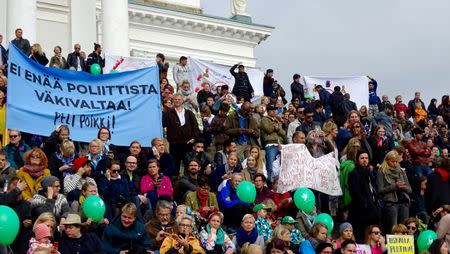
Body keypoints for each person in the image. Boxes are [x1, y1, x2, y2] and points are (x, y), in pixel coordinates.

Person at [164, 93, 200, 175]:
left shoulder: (189, 113)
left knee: (188, 165)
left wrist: (194, 138)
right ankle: (175, 184)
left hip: (187, 143)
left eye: (179, 99)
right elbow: (163, 125)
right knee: (174, 166)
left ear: (182, 101)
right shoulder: (168, 113)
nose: (177, 101)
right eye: (175, 99)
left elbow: (195, 127)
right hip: (174, 144)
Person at [348, 151, 380, 242]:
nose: (364, 160)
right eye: (362, 158)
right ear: (357, 160)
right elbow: (354, 192)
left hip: (372, 209)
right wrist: (365, 203)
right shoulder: (354, 173)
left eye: (366, 158)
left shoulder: (370, 172)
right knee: (361, 236)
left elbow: (374, 189)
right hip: (361, 211)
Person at [377, 150, 412, 233]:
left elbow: (410, 190)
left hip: (404, 202)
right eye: (393, 161)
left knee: (404, 230)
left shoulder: (401, 171)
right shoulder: (381, 171)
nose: (395, 163)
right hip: (391, 204)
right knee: (393, 230)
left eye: (396, 161)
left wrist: (402, 187)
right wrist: (394, 186)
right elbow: (380, 190)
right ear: (387, 160)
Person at [261, 104, 286, 182]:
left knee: (281, 166)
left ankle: (279, 184)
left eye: (274, 110)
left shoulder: (277, 120)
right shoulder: (264, 119)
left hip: (279, 144)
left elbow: (283, 133)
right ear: (268, 111)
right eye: (272, 110)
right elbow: (268, 130)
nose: (274, 111)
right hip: (270, 145)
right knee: (270, 167)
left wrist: (277, 128)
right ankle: (269, 184)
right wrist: (274, 126)